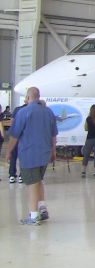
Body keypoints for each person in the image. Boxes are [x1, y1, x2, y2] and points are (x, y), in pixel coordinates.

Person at [3, 87, 57, 225]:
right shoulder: (49, 112)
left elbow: (14, 136)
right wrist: (53, 151)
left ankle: (33, 216)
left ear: (28, 97)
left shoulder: (23, 112)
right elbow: (53, 135)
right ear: (38, 97)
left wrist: (9, 151)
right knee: (38, 181)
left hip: (29, 154)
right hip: (44, 153)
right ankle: (42, 208)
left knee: (32, 184)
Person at [8, 99, 26, 184]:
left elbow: (12, 122)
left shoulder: (17, 109)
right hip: (25, 138)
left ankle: (12, 175)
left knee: (13, 156)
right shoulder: (29, 110)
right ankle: (21, 176)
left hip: (15, 136)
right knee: (23, 157)